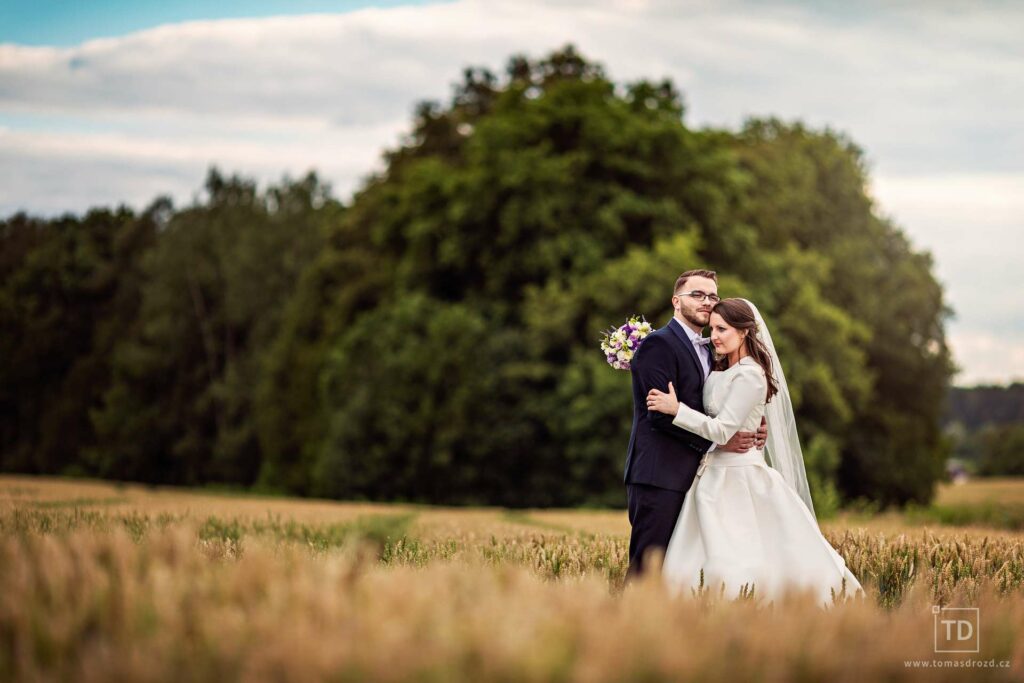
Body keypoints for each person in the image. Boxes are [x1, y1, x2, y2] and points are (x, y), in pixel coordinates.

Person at [646, 298, 863, 605]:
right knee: (700, 557)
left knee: (741, 558)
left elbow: (723, 430)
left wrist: (675, 409)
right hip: (711, 475)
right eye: (712, 329)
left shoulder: (750, 374)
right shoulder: (721, 369)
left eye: (723, 329)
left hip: (740, 476)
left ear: (744, 332)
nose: (715, 336)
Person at [623, 269, 766, 582]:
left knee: (681, 574)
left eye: (712, 296)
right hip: (660, 475)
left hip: (698, 478)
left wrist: (751, 422)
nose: (707, 301)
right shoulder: (659, 345)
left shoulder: (714, 351)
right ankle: (625, 628)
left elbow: (721, 403)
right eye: (697, 295)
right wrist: (717, 442)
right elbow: (659, 415)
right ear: (676, 301)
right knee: (647, 569)